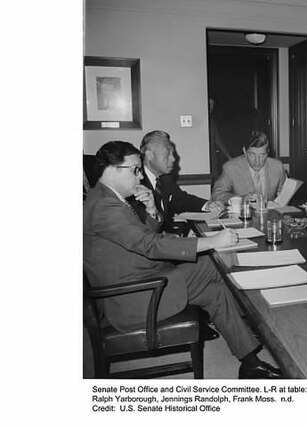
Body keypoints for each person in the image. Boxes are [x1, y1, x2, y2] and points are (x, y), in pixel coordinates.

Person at [83, 140, 283, 378]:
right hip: (134, 295)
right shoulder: (105, 205)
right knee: (219, 262)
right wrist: (211, 242)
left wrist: (151, 212)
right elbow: (149, 245)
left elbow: (137, 239)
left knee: (216, 292)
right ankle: (271, 324)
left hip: (143, 280)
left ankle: (250, 363)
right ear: (114, 169)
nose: (139, 177)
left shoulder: (105, 197)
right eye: (135, 170)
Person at [138, 130, 218, 233]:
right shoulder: (136, 183)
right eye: (167, 154)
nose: (173, 159)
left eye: (173, 153)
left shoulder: (165, 178)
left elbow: (181, 200)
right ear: (149, 155)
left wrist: (207, 205)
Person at [211, 131, 287, 204]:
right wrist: (240, 200)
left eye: (262, 155)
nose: (257, 161)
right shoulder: (231, 168)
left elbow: (285, 193)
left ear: (267, 152)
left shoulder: (277, 167)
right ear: (244, 151)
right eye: (252, 154)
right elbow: (217, 194)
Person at [208, 97, 232, 179]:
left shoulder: (212, 121)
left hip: (212, 158)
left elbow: (217, 140)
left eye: (212, 105)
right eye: (209, 104)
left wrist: (228, 156)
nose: (211, 107)